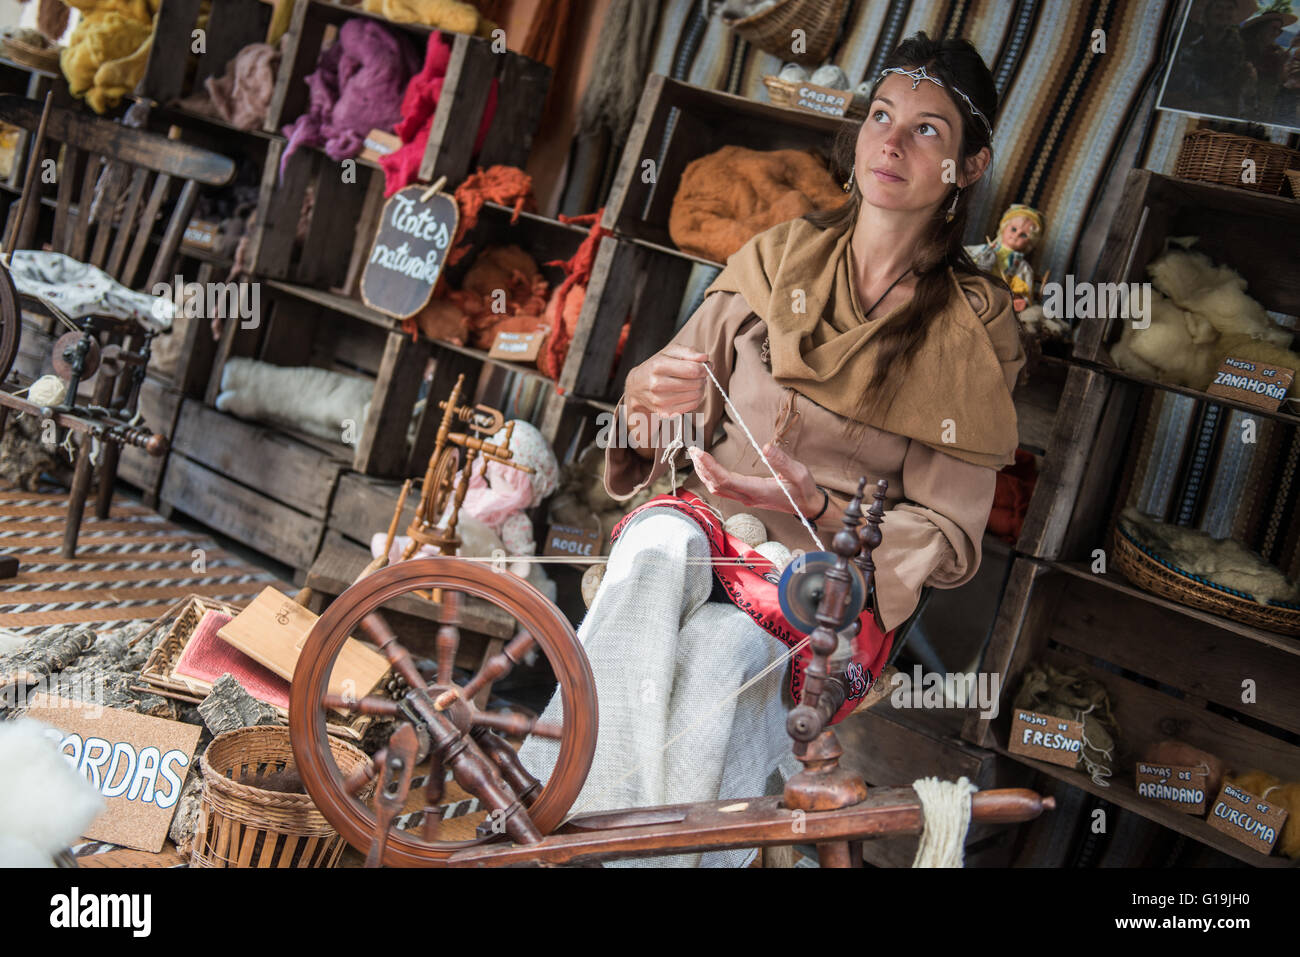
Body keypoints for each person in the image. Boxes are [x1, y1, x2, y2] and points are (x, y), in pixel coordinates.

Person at [516, 31, 1025, 867]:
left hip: (823, 583)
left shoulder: (971, 326)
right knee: (652, 549)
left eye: (927, 130)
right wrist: (650, 399)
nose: (891, 143)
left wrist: (817, 507)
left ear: (967, 168)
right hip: (707, 521)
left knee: (723, 657)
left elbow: (949, 535)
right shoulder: (778, 255)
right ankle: (559, 826)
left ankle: (579, 843)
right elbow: (654, 415)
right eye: (881, 116)